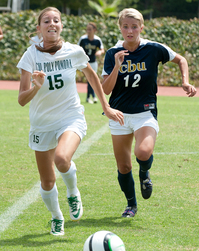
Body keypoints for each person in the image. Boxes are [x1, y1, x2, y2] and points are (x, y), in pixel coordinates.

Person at [17, 7, 124, 236]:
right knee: (47, 182)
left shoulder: (73, 51)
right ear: (39, 28)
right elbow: (21, 100)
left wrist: (105, 105)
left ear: (61, 26)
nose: (52, 24)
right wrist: (36, 86)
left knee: (62, 159)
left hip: (70, 117)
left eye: (56, 20)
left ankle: (73, 192)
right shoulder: (30, 56)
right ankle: (57, 217)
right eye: (47, 21)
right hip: (41, 124)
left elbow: (91, 75)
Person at [102, 8, 197, 218]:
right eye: (125, 26)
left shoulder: (153, 49)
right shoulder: (112, 53)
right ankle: (131, 205)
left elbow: (181, 59)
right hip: (119, 115)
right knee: (124, 166)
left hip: (145, 113)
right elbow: (106, 89)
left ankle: (144, 173)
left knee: (143, 153)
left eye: (134, 26)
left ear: (141, 28)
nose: (130, 30)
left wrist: (185, 81)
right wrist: (117, 66)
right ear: (120, 28)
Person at [78, 22, 105, 104]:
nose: (88, 31)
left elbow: (102, 49)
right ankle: (93, 97)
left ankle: (89, 97)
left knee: (92, 79)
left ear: (94, 30)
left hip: (93, 62)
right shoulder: (83, 39)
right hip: (84, 63)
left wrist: (100, 52)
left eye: (90, 29)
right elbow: (77, 48)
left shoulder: (97, 39)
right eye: (87, 29)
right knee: (89, 79)